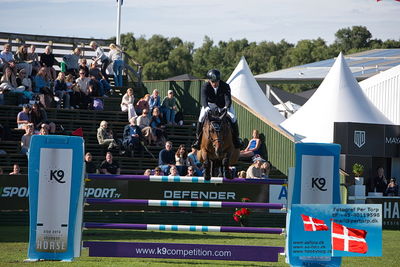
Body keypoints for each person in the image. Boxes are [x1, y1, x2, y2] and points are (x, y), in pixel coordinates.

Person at [192, 69, 241, 149]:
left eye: (216, 82)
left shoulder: (225, 85)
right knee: (201, 118)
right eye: (213, 82)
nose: (215, 84)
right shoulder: (205, 86)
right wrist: (207, 107)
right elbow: (204, 99)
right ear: (209, 81)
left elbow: (227, 98)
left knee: (233, 117)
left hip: (223, 105)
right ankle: (198, 140)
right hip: (210, 105)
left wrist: (226, 107)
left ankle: (236, 139)